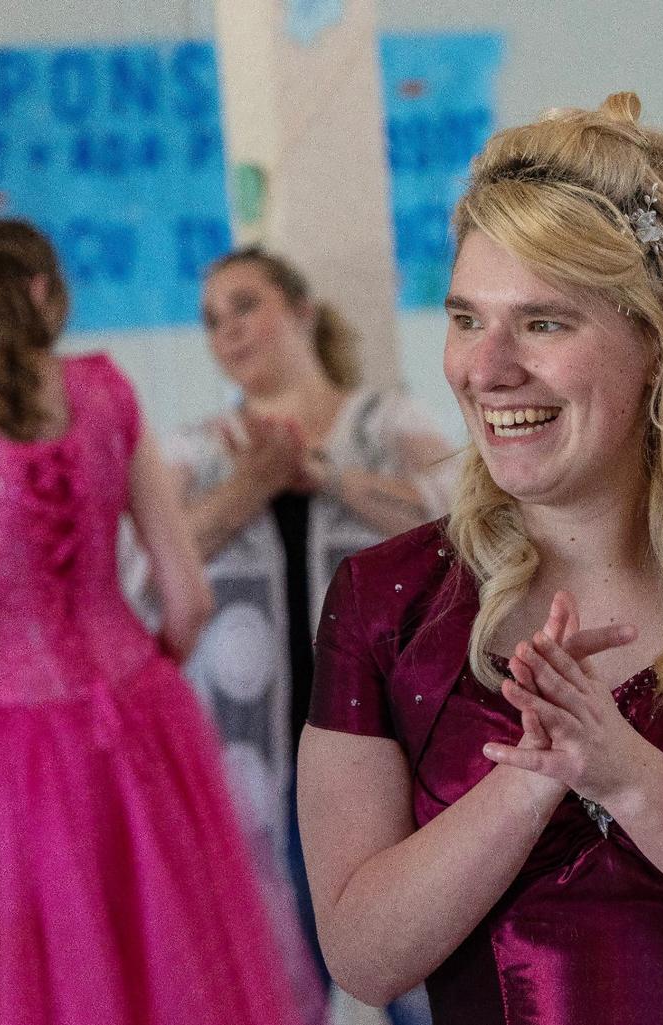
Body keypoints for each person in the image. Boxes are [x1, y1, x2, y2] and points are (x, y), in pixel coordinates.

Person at [297, 92, 663, 1025]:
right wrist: (534, 777)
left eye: (542, 322)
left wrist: (625, 772)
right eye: (465, 318)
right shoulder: (386, 600)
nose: (485, 368)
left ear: (653, 342)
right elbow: (365, 957)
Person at [0, 219, 306, 1025]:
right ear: (47, 298)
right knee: (161, 975)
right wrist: (143, 667)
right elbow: (187, 597)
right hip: (136, 714)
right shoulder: (104, 389)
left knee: (19, 988)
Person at [127, 246, 456, 1006]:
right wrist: (254, 484)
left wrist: (330, 474)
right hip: (249, 756)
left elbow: (464, 521)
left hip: (384, 747)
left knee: (410, 963)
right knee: (272, 973)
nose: (228, 330)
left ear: (300, 311)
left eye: (245, 305)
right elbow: (146, 571)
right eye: (212, 320)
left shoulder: (382, 422)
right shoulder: (197, 450)